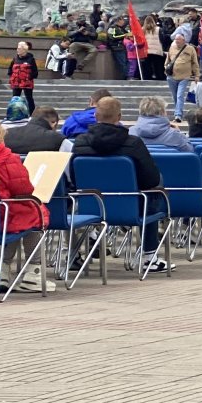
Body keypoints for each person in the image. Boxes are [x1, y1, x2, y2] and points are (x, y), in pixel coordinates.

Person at [70, 96, 172, 273]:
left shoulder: (80, 143)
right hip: (130, 206)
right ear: (119, 117)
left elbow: (74, 176)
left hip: (91, 206)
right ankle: (149, 257)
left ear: (95, 116)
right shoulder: (132, 143)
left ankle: (72, 254)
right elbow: (151, 179)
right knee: (154, 192)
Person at [0, 116, 48, 292]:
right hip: (0, 217)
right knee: (32, 212)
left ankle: (3, 270)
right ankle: (33, 271)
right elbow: (24, 188)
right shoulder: (6, 157)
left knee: (13, 217)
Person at [165, 32, 197, 121]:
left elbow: (195, 62)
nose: (177, 41)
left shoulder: (190, 49)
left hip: (184, 76)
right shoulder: (172, 47)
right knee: (175, 96)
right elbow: (167, 61)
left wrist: (197, 75)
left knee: (180, 95)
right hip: (172, 77)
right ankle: (177, 112)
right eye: (175, 40)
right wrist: (166, 69)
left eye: (178, 40)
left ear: (183, 40)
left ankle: (178, 115)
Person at [8, 41, 38, 115]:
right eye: (17, 48)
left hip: (27, 82)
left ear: (24, 50)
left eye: (19, 48)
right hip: (16, 82)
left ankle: (32, 114)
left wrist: (28, 77)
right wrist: (12, 76)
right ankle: (13, 114)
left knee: (29, 99)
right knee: (14, 99)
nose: (17, 50)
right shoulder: (15, 59)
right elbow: (10, 69)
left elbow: (35, 72)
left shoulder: (31, 59)